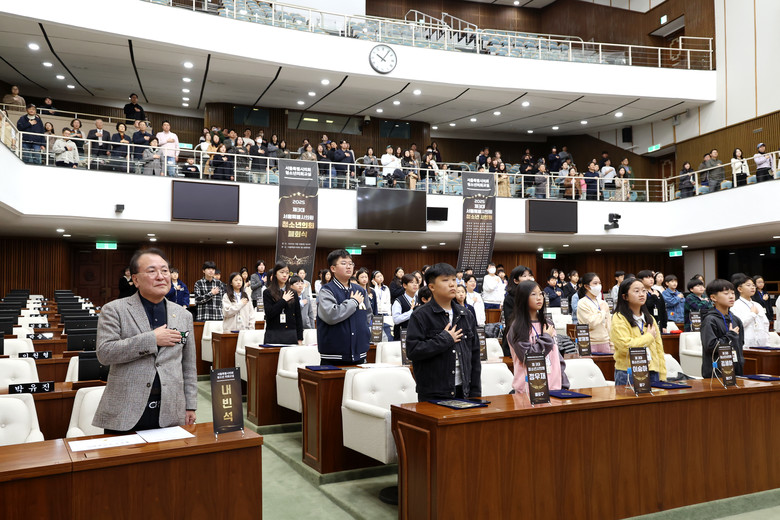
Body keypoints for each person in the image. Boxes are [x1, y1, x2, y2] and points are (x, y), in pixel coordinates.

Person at [93, 248, 196, 434]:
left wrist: (190, 405)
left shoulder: (184, 315)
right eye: (152, 271)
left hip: (171, 409)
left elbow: (188, 366)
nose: (161, 276)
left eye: (165, 270)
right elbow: (105, 353)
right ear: (135, 280)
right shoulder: (114, 310)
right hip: (125, 410)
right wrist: (152, 339)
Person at [406, 263, 481, 401]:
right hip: (434, 393)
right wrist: (444, 339)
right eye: (445, 280)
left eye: (453, 279)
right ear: (431, 287)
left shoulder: (465, 314)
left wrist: (476, 393)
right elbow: (413, 351)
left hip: (464, 390)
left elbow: (475, 356)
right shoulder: (420, 315)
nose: (452, 284)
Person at [507, 280, 569, 394]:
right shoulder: (517, 327)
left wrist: (563, 382)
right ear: (523, 298)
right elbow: (528, 357)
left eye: (541, 294)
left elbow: (556, 356)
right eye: (533, 294)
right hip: (528, 391)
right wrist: (546, 338)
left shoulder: (548, 323)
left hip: (554, 388)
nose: (539, 298)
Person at [316, 249, 371, 364]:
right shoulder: (327, 290)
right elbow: (331, 315)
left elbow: (368, 315)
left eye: (351, 263)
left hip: (359, 354)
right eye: (343, 263)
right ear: (333, 268)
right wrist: (353, 302)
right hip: (334, 356)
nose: (349, 267)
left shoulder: (360, 290)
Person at [610, 278, 666, 386]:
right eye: (636, 291)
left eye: (644, 291)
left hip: (653, 371)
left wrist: (662, 374)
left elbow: (659, 349)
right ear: (625, 296)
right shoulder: (619, 318)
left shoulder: (650, 318)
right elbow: (625, 346)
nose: (642, 294)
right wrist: (648, 337)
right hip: (629, 372)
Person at [700, 279, 744, 378]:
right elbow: (711, 346)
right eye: (726, 293)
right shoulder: (710, 320)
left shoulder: (736, 319)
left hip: (736, 370)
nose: (731, 296)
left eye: (733, 293)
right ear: (713, 297)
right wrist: (730, 336)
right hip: (716, 373)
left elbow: (740, 344)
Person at [263, 261, 303, 344]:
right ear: (275, 274)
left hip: (291, 335)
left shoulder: (293, 292)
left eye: (287, 273)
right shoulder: (267, 292)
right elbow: (269, 313)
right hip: (274, 335)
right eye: (282, 272)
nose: (285, 275)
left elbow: (298, 316)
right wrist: (283, 300)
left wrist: (300, 338)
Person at [730, 273, 769, 348]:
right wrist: (752, 314)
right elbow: (739, 325)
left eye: (753, 285)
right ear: (740, 289)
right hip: (746, 345)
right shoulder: (735, 306)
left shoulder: (757, 305)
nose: (752, 287)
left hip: (762, 344)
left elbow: (765, 324)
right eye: (748, 285)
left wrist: (767, 343)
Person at [576, 272, 612, 353]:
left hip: (605, 341)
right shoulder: (582, 303)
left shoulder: (603, 303)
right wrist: (603, 311)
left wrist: (612, 343)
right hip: (590, 343)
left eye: (599, 283)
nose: (598, 286)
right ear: (586, 286)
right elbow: (591, 323)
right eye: (595, 283)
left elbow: (609, 325)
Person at [391, 273, 419, 340]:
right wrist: (411, 312)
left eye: (416, 283)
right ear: (404, 285)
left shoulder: (420, 300)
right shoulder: (398, 301)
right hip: (402, 338)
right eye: (412, 282)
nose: (415, 285)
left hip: (417, 337)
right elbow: (396, 320)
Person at [372, 270, 394, 340]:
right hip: (377, 313)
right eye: (378, 276)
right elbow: (376, 297)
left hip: (385, 313)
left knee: (387, 333)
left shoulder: (386, 288)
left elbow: (388, 301)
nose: (380, 278)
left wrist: (389, 313)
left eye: (381, 276)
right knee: (377, 334)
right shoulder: (372, 289)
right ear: (373, 279)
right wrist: (376, 286)